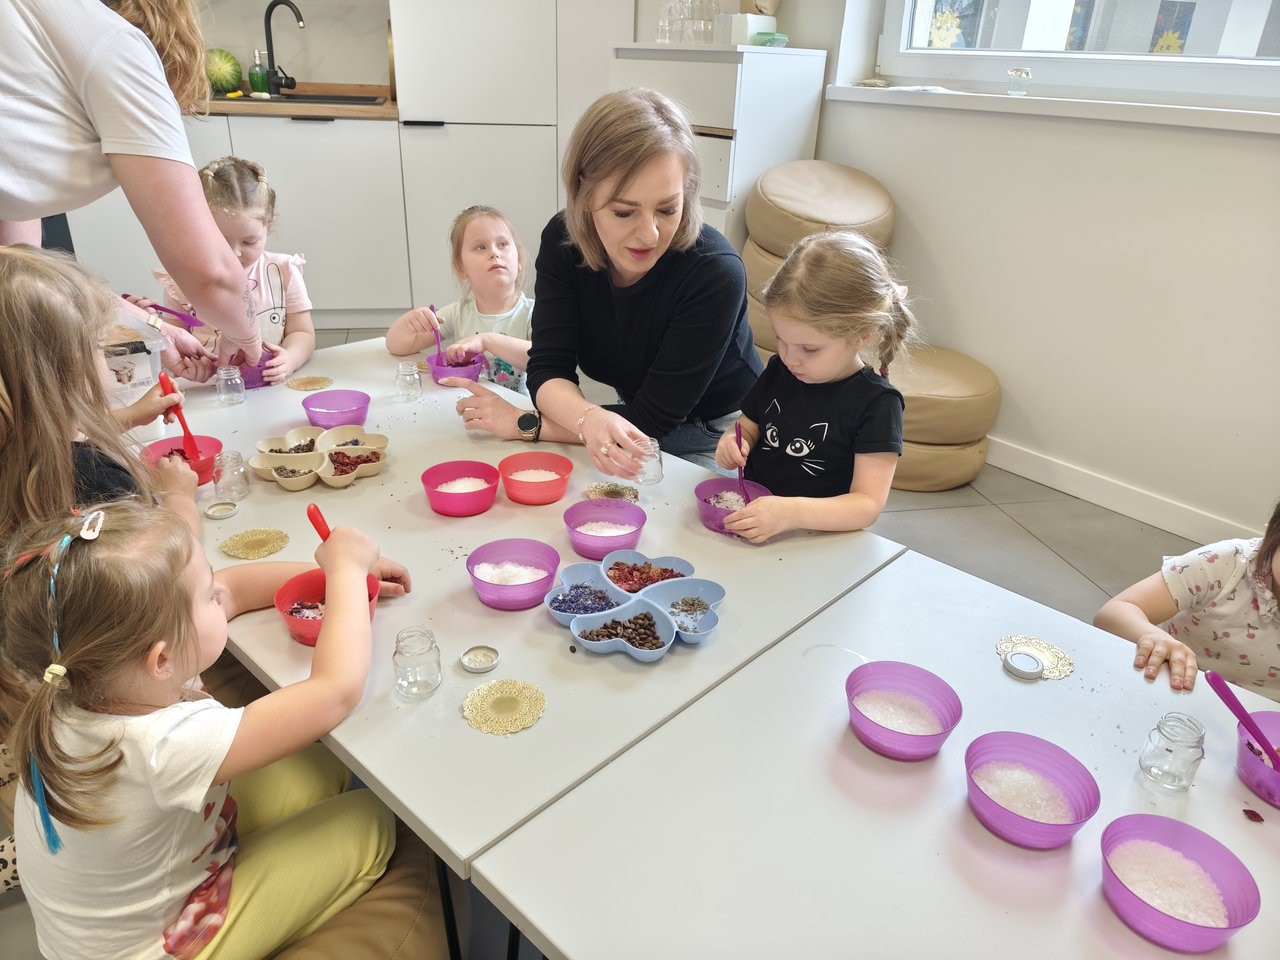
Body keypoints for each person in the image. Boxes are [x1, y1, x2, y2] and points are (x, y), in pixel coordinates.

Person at [2, 501, 447, 958]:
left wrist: (334, 574)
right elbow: (335, 691)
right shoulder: (161, 745)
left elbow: (232, 589)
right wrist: (349, 572)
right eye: (208, 597)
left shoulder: (89, 676)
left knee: (321, 768)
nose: (220, 594)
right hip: (151, 949)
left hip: (115, 910)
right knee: (371, 818)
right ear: (161, 660)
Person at [447, 88, 762, 473]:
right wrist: (588, 419)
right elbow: (549, 366)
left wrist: (525, 423)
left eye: (667, 209)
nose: (649, 234)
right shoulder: (564, 242)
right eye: (624, 212)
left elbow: (650, 421)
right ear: (584, 192)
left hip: (721, 437)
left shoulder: (714, 273)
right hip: (628, 420)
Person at [0, 0, 263, 370]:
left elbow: (20, 269)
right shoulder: (118, 46)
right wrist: (248, 337)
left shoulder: (39, 31)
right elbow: (211, 275)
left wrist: (152, 326)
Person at [713, 231, 916, 543]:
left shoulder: (878, 404)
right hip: (758, 523)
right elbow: (748, 427)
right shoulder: (781, 370)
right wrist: (733, 441)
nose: (790, 358)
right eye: (781, 340)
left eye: (809, 349)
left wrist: (791, 513)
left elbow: (866, 504)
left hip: (820, 538)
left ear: (862, 335)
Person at [0, 245, 198, 548]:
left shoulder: (14, 452)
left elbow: (54, 437)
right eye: (99, 343)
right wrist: (179, 497)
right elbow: (174, 565)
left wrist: (133, 415)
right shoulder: (97, 482)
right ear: (69, 369)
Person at [150, 157, 315, 385]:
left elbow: (303, 333)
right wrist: (193, 365)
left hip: (273, 385)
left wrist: (290, 358)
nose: (235, 253)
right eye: (220, 241)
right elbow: (177, 337)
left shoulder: (283, 271)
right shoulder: (180, 281)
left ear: (268, 227)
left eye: (249, 242)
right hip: (213, 387)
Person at [1094, 499, 1280, 700]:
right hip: (1173, 686)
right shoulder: (1225, 563)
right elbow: (1115, 611)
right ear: (1272, 537)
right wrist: (1154, 637)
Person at [386, 204, 533, 392]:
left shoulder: (533, 313)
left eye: (503, 244)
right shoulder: (458, 313)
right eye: (481, 247)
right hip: (467, 405)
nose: (494, 253)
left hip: (515, 409)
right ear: (461, 267)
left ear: (519, 260)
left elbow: (541, 358)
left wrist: (487, 341)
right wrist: (409, 323)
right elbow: (397, 347)